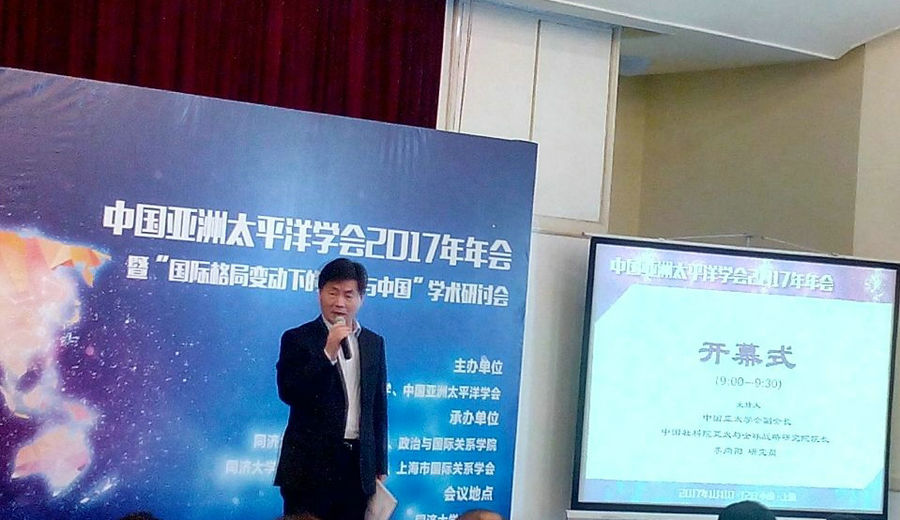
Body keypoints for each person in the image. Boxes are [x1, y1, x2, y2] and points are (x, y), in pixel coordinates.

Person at [274, 258, 388, 520]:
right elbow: (289, 392)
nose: (339, 302)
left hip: (357, 467)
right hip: (308, 468)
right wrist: (328, 353)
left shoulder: (373, 343)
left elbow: (378, 406)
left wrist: (379, 462)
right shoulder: (297, 338)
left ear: (361, 298)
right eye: (333, 292)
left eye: (348, 295)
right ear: (320, 294)